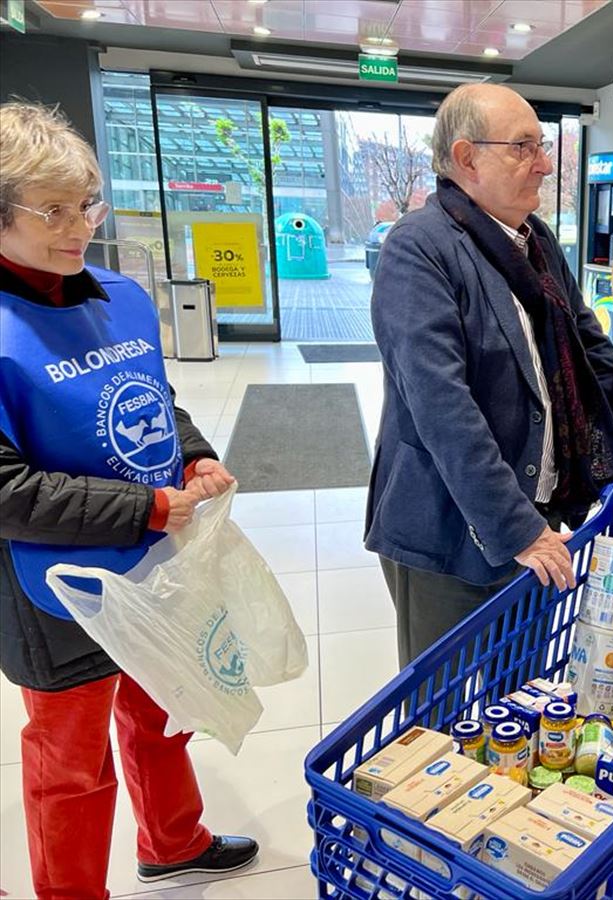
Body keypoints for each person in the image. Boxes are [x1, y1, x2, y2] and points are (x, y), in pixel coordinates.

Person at [0, 103, 257, 898]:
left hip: (153, 561)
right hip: (56, 585)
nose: (78, 227)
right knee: (71, 765)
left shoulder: (118, 294)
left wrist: (193, 455)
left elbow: (149, 394)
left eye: (87, 205)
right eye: (53, 211)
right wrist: (142, 508)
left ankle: (173, 843)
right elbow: (5, 490)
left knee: (162, 713)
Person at [367, 84, 613, 670]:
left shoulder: (536, 243)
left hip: (538, 513)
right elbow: (440, 406)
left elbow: (591, 350)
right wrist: (518, 528)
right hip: (450, 530)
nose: (545, 164)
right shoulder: (419, 249)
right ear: (466, 157)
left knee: (520, 697)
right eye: (523, 147)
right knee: (441, 721)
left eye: (542, 145)